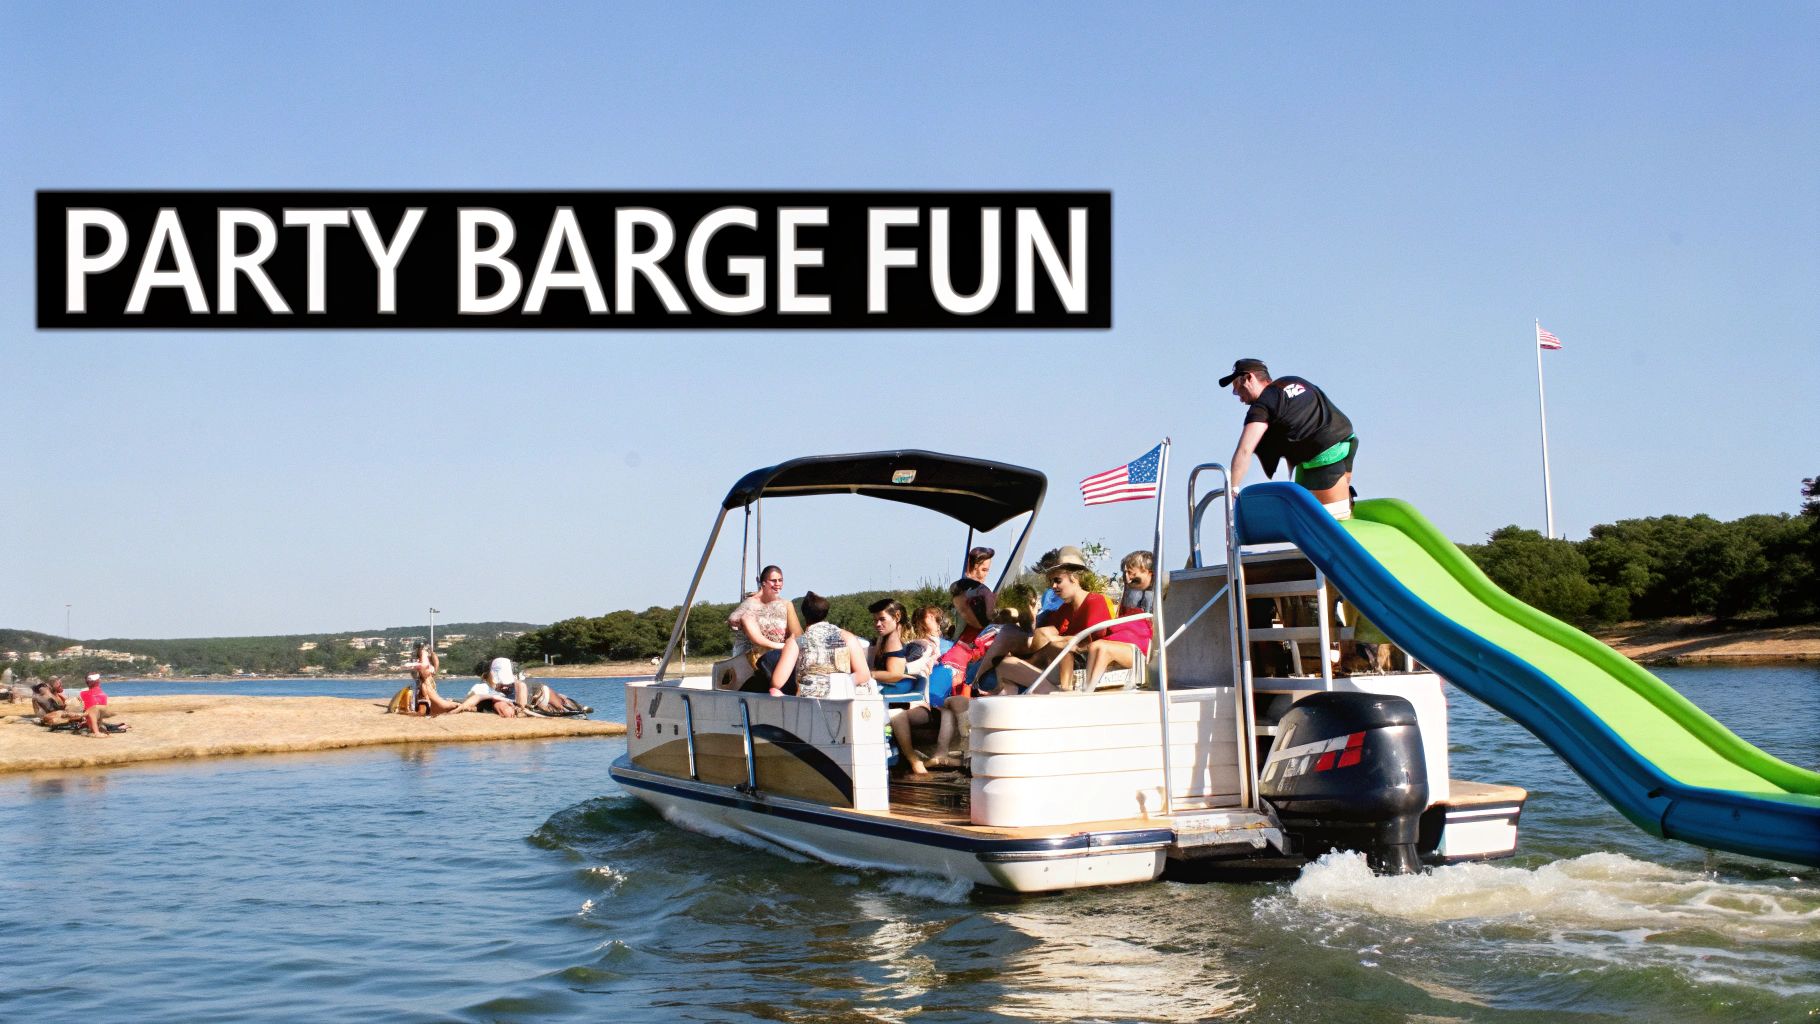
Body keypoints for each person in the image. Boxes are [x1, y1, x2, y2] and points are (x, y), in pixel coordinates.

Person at [1221, 358, 1358, 519]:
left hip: (1325, 454)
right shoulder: (1292, 381)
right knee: (1301, 507)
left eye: (1237, 386)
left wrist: (1233, 489)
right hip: (1347, 438)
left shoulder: (1262, 406)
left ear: (1249, 378)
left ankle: (1340, 508)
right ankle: (1344, 499)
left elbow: (1245, 450)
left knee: (1330, 520)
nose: (1237, 395)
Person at [992, 547, 1117, 694]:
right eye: (1052, 581)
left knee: (1013, 660)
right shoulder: (1065, 608)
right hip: (1056, 662)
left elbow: (1092, 643)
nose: (1053, 586)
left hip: (1079, 665)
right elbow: (1043, 637)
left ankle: (1054, 689)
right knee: (1005, 663)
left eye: (1057, 580)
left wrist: (1056, 642)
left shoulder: (1095, 602)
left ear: (1074, 578)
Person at [767, 592, 873, 698]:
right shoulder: (847, 637)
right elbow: (864, 674)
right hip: (841, 700)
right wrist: (836, 685)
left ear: (804, 615)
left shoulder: (796, 642)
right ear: (825, 613)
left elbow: (777, 682)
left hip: (808, 702)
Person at [1083, 550, 1156, 690]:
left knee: (1104, 649)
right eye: (1125, 573)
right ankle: (1087, 686)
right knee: (1094, 646)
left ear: (1148, 572)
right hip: (1124, 640)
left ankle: (1090, 689)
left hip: (1141, 647)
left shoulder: (1157, 591)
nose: (1127, 578)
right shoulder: (1130, 592)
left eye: (1132, 573)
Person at [728, 565, 802, 678]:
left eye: (780, 580)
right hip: (752, 663)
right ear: (763, 583)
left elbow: (797, 635)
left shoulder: (786, 605)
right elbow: (733, 619)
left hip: (776, 660)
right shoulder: (750, 603)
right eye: (773, 580)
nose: (777, 584)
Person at [405, 642, 458, 715]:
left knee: (424, 693)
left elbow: (434, 662)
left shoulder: (427, 657)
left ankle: (421, 707)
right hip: (426, 679)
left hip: (426, 679)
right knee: (425, 692)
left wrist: (433, 671)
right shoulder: (425, 659)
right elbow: (433, 663)